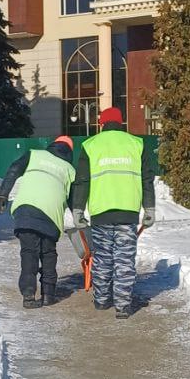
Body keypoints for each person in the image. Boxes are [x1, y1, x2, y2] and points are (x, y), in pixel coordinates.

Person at [70, 107, 155, 319]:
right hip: (128, 213)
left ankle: (101, 301)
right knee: (124, 259)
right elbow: (147, 179)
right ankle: (123, 306)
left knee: (103, 258)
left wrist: (78, 209)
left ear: (102, 124)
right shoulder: (136, 144)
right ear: (121, 122)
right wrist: (150, 207)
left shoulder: (91, 145)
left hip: (101, 214)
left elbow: (82, 181)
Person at [0, 136, 76, 309]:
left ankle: (28, 294)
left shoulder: (34, 154)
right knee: (48, 253)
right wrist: (80, 219)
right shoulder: (70, 170)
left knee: (29, 252)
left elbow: (14, 169)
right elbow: (74, 200)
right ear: (69, 152)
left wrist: (3, 194)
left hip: (25, 209)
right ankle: (48, 295)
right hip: (51, 214)